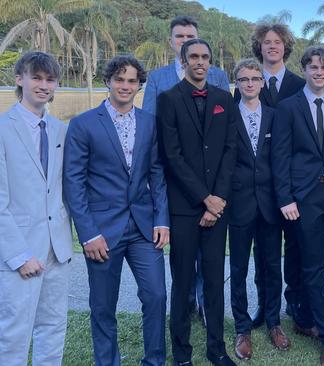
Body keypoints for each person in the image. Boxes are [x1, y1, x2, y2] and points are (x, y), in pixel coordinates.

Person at [64, 56, 169, 366]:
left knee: (156, 297)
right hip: (101, 231)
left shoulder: (149, 122)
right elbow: (74, 182)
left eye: (132, 80)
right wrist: (88, 233)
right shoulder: (83, 123)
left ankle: (154, 361)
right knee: (102, 306)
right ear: (108, 81)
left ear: (139, 85)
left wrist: (162, 219)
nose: (126, 85)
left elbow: (156, 173)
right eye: (120, 79)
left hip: (143, 227)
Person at [0, 51, 72, 366]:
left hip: (58, 249)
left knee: (53, 329)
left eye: (50, 79)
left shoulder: (62, 130)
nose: (43, 85)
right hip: (19, 251)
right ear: (19, 79)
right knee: (13, 334)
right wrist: (19, 256)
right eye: (36, 77)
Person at [142, 15, 230, 324]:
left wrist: (213, 194)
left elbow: (222, 136)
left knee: (210, 255)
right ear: (173, 43)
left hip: (211, 182)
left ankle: (207, 304)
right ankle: (187, 301)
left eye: (190, 35)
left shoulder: (217, 76)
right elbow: (152, 126)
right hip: (176, 180)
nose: (184, 39)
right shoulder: (158, 78)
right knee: (182, 255)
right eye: (179, 36)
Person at [157, 38, 238, 366]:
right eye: (194, 57)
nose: (200, 62)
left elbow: (230, 150)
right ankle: (181, 354)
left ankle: (217, 350)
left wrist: (217, 199)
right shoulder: (168, 99)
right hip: (185, 207)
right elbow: (171, 155)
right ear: (184, 60)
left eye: (205, 57)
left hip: (218, 207)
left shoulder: (223, 98)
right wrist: (204, 198)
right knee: (183, 282)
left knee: (215, 280)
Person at [271, 46, 324, 366]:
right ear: (305, 69)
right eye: (313, 67)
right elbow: (280, 156)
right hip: (303, 198)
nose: (319, 72)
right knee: (314, 264)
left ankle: (304, 315)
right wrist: (285, 197)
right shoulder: (288, 107)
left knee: (321, 259)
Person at [236, 22, 306, 327]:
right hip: (251, 192)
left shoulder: (299, 84)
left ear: (285, 46)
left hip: (290, 186)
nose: (272, 46)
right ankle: (263, 310)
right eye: (267, 42)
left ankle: (293, 307)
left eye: (278, 41)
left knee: (290, 254)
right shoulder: (244, 86)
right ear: (259, 47)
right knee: (259, 259)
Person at [228, 58, 289, 360]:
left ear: (263, 83)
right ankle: (242, 327)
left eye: (255, 78)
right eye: (244, 79)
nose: (250, 83)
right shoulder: (226, 115)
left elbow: (281, 160)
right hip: (238, 204)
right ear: (236, 83)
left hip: (270, 205)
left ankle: (274, 321)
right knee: (238, 268)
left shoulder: (276, 116)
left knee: (271, 267)